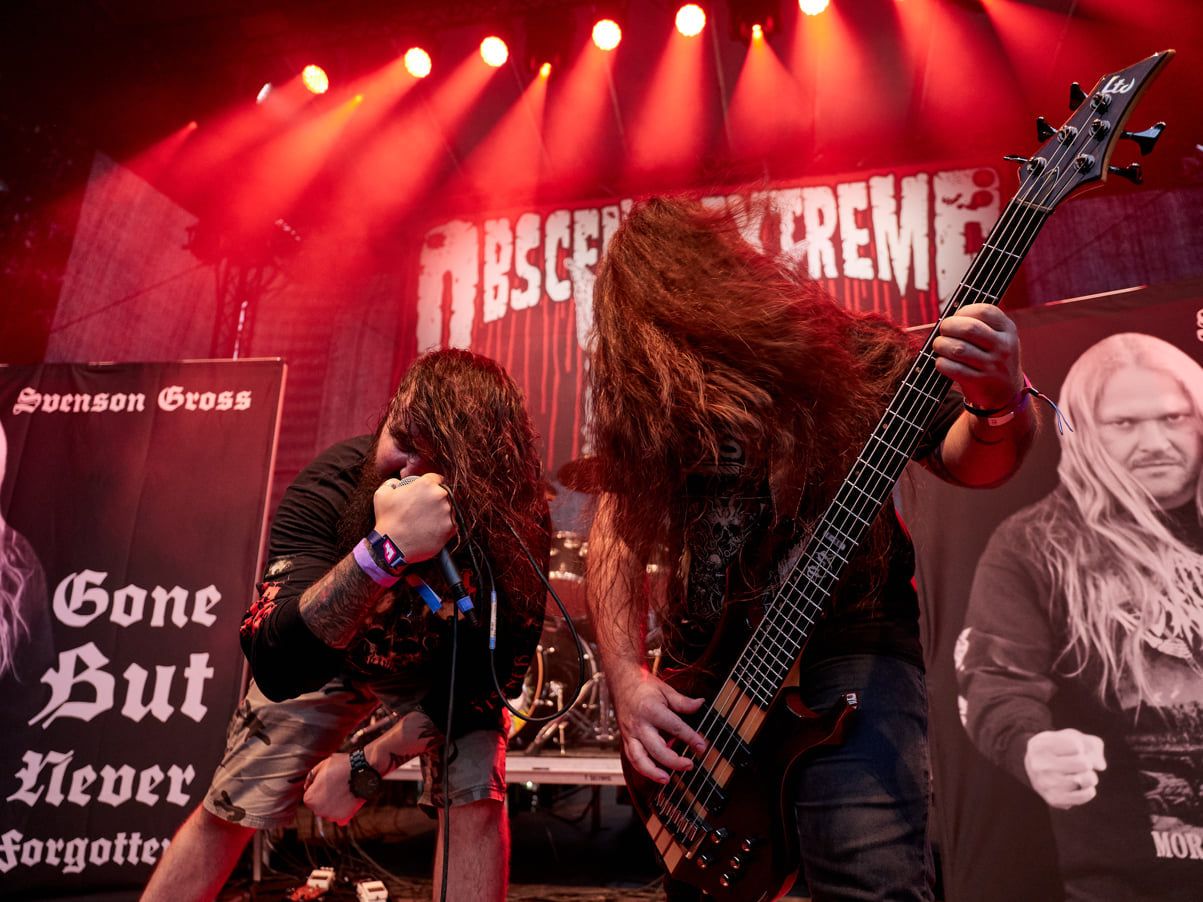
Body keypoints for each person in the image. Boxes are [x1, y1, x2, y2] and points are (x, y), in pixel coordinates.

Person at [584, 195, 1038, 901]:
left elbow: (973, 464)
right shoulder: (657, 396)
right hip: (706, 679)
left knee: (869, 883)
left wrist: (998, 403)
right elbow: (614, 531)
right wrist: (626, 678)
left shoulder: (851, 354)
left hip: (847, 650)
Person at [143, 349, 549, 902]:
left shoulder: (514, 517)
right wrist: (384, 552)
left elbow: (494, 678)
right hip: (328, 656)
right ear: (385, 419)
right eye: (402, 440)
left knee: (476, 791)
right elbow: (277, 664)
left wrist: (371, 761)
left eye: (438, 462)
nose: (409, 473)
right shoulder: (329, 487)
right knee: (234, 800)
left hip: (439, 673)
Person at [959, 332, 1203, 900]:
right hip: (1131, 880)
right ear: (1087, 431)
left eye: (1173, 417)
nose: (1155, 442)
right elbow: (996, 681)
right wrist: (1032, 748)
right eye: (1124, 424)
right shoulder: (1034, 544)